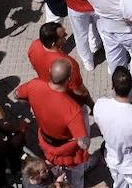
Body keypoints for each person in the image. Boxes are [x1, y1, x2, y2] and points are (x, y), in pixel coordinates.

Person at [17, 59, 91, 188]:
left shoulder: (34, 84)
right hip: (65, 150)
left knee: (56, 165)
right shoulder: (73, 109)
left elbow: (17, 95)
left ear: (50, 71)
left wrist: (33, 104)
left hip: (45, 140)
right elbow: (83, 144)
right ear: (69, 79)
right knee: (76, 171)